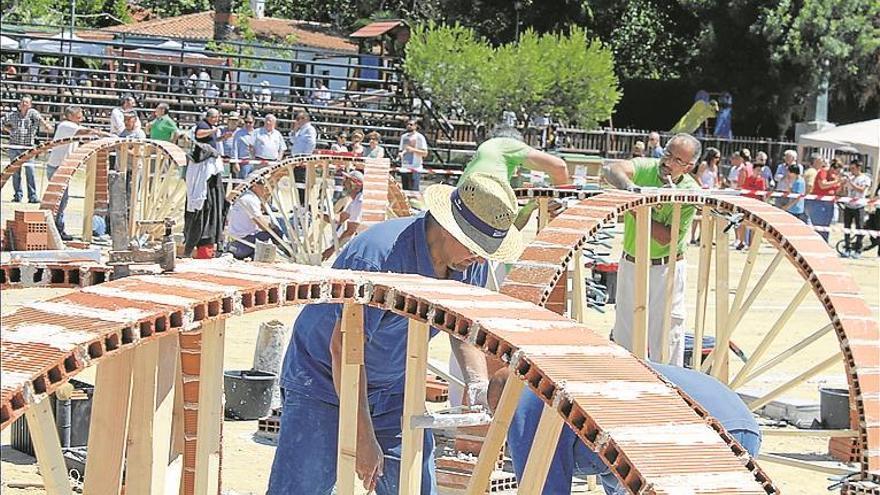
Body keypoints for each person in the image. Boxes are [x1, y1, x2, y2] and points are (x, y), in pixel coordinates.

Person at [268, 173, 524, 494]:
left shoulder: (469, 262)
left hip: (392, 387)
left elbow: (460, 327)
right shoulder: (379, 258)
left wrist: (476, 381)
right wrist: (363, 437)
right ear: (448, 226)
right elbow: (344, 348)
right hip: (321, 380)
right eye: (476, 246)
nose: (481, 256)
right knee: (301, 488)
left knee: (413, 486)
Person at [496, 362, 761, 495]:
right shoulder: (575, 378)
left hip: (688, 438)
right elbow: (619, 475)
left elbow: (543, 490)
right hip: (739, 424)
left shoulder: (527, 401)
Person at [602, 133, 701, 365]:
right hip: (632, 261)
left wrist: (638, 208)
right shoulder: (647, 168)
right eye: (667, 154)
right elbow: (611, 169)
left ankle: (670, 385)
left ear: (688, 167)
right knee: (626, 328)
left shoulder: (689, 190)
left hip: (666, 266)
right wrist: (632, 189)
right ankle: (625, 376)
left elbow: (666, 237)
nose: (668, 162)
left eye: (677, 160)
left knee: (667, 332)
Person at [46, 105, 110, 239]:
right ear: (70, 115)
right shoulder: (66, 125)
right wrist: (104, 134)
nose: (81, 117)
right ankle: (57, 230)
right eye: (79, 115)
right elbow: (86, 132)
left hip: (62, 167)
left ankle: (58, 229)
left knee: (63, 200)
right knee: (60, 201)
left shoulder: (71, 128)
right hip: (57, 167)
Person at [183, 108, 231, 258]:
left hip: (210, 169)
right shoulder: (203, 125)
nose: (217, 120)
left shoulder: (209, 128)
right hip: (202, 170)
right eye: (215, 117)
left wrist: (220, 138)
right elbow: (199, 135)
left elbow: (209, 140)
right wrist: (214, 130)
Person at [1, 95, 53, 203]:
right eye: (23, 102)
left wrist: (46, 125)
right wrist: (8, 130)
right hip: (14, 146)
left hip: (28, 148)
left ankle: (32, 196)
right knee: (15, 172)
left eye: (27, 102)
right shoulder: (12, 115)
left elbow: (40, 119)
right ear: (19, 105)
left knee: (30, 171)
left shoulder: (32, 113)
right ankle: (18, 195)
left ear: (30, 104)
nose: (24, 104)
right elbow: (2, 122)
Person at [226, 177, 281, 259]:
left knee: (270, 233)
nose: (265, 188)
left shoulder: (245, 197)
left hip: (237, 242)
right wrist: (276, 230)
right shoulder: (250, 199)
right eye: (263, 185)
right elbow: (262, 224)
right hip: (242, 244)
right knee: (274, 233)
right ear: (254, 186)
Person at [321, 170, 364, 261]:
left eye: (347, 180)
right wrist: (320, 215)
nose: (344, 183)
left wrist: (332, 249)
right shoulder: (355, 202)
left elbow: (350, 231)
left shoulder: (359, 202)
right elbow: (340, 218)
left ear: (356, 185)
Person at [841, 159, 872, 259]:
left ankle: (857, 249)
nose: (851, 170)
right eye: (850, 168)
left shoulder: (865, 178)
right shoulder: (850, 177)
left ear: (859, 168)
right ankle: (847, 248)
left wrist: (851, 183)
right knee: (847, 227)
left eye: (853, 168)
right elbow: (845, 191)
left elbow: (861, 190)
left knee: (859, 228)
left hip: (859, 206)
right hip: (848, 206)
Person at [690, 147, 720, 244]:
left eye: (718, 157)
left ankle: (702, 236)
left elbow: (716, 180)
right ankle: (693, 237)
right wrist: (702, 186)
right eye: (716, 157)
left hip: (711, 194)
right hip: (702, 192)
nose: (717, 159)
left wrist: (717, 186)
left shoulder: (715, 167)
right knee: (698, 215)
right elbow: (698, 177)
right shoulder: (704, 165)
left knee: (709, 215)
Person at [810, 158, 842, 242]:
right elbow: (822, 185)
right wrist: (836, 182)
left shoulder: (835, 177)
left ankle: (824, 243)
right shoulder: (823, 172)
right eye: (836, 171)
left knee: (826, 227)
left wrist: (842, 184)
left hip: (830, 203)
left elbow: (837, 191)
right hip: (818, 202)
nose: (837, 173)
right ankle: (817, 243)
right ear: (832, 168)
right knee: (818, 226)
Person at [397, 119, 428, 191]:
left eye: (411, 124)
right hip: (405, 167)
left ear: (416, 126)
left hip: (415, 168)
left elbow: (425, 153)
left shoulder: (420, 137)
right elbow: (401, 149)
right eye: (408, 124)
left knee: (414, 192)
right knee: (405, 191)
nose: (409, 126)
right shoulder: (403, 137)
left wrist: (413, 150)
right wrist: (400, 154)